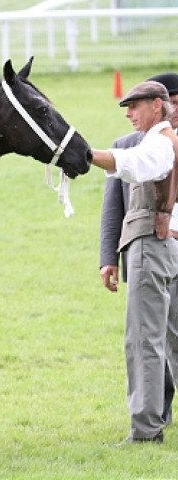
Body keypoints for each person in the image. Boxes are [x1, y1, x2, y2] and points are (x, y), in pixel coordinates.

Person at [91, 79, 178, 443]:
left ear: (157, 106)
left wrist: (83, 154)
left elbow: (133, 164)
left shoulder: (159, 142)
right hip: (164, 245)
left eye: (135, 105)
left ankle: (145, 430)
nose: (128, 113)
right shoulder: (167, 139)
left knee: (143, 339)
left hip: (150, 246)